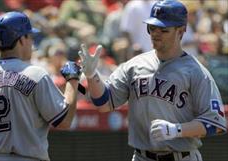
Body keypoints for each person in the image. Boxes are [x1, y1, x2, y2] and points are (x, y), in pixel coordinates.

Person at [78, 0, 227, 161]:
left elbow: (215, 123)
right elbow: (104, 103)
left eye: (163, 29)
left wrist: (177, 130)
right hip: (142, 156)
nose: (155, 33)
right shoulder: (134, 65)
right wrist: (92, 76)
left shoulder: (196, 72)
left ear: (181, 31)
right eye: (152, 27)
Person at [0, 11, 81, 161]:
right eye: (30, 37)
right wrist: (72, 80)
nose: (32, 42)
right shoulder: (35, 75)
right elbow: (65, 121)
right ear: (21, 39)